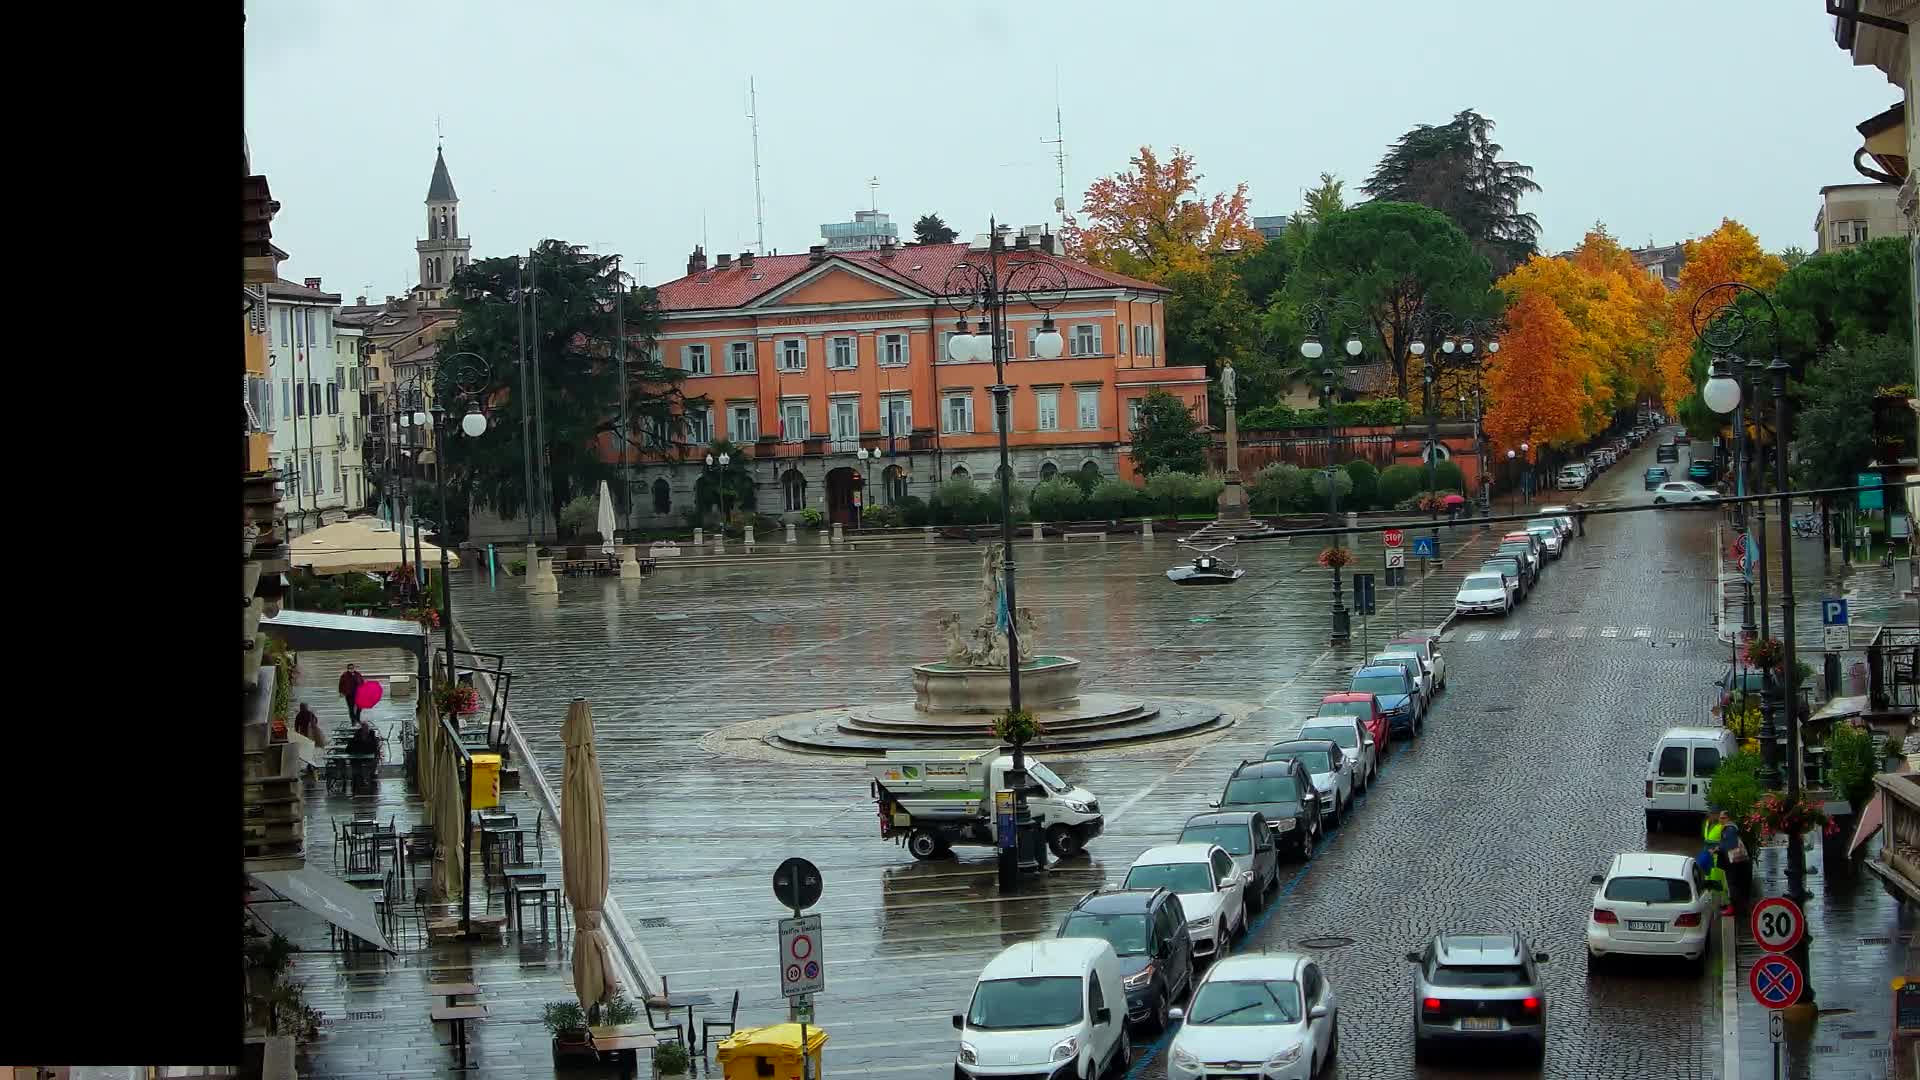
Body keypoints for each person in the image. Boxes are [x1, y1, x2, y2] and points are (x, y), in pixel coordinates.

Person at [1702, 813, 1730, 915]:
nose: (1711, 815)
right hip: (1708, 856)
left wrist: (1716, 849)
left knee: (1720, 881)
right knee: (1708, 879)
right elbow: (1706, 840)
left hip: (1718, 858)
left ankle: (1724, 903)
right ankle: (1710, 904)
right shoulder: (1707, 823)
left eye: (1713, 813)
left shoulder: (1722, 826)